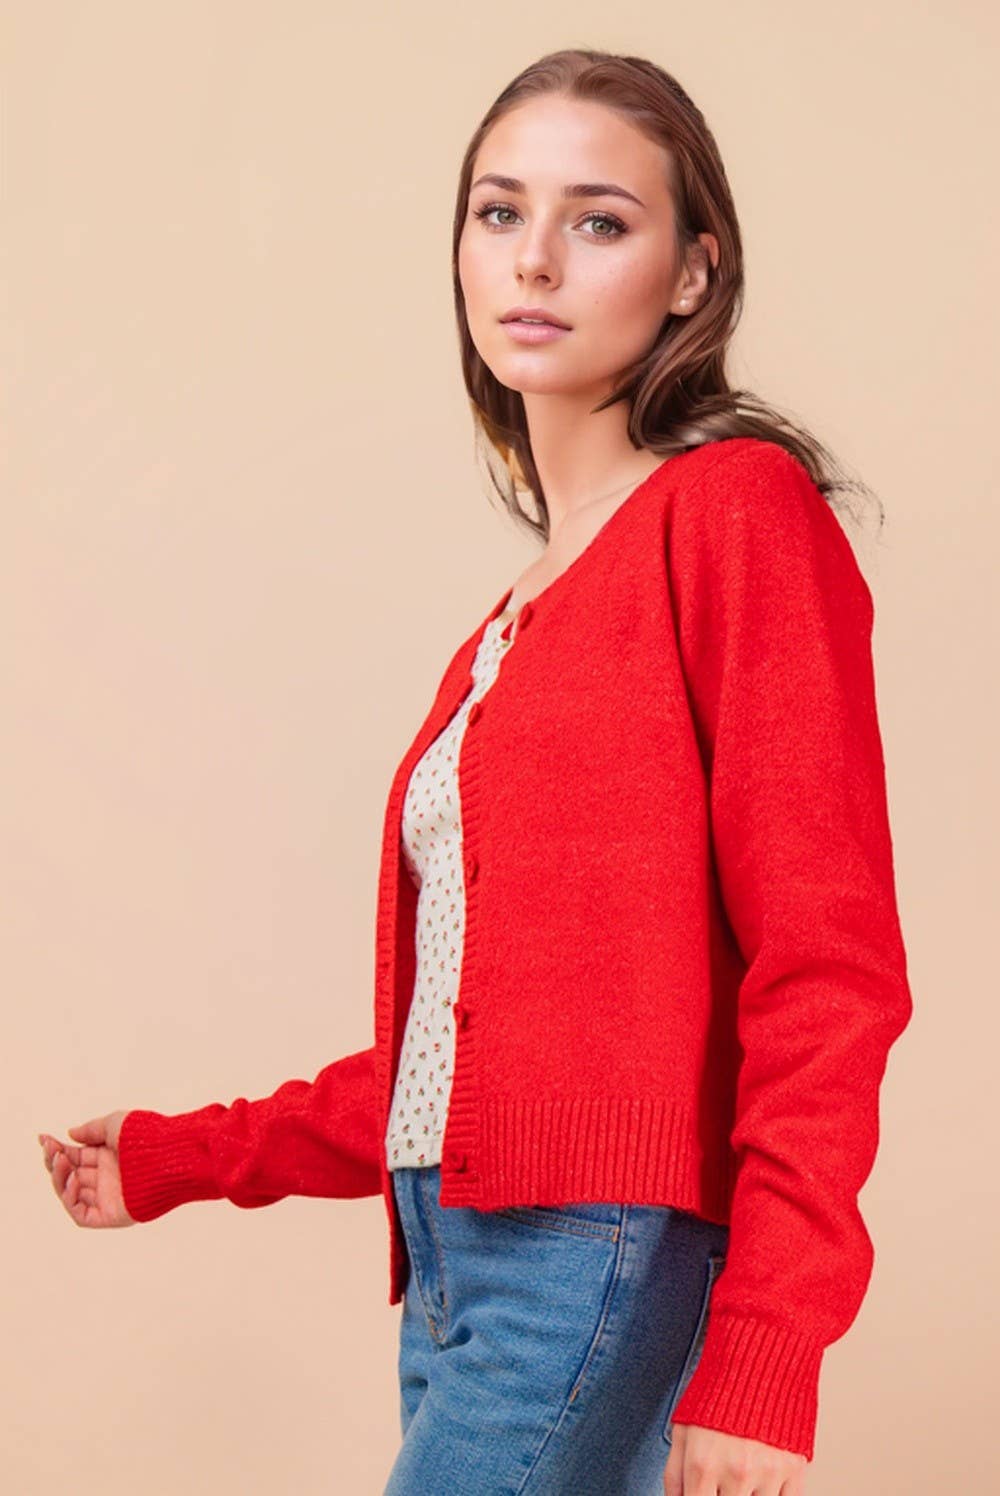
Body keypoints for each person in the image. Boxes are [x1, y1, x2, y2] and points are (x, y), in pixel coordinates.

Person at [38, 48, 913, 1496]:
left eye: (600, 220)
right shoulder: (508, 630)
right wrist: (193, 1156)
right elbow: (471, 1065)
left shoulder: (734, 513)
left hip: (596, 1250)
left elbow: (829, 967)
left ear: (694, 273)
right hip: (456, 1254)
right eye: (501, 212)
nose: (536, 260)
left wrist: (771, 1346)